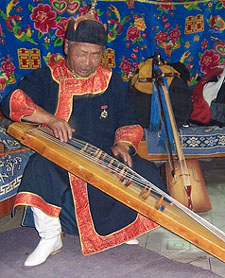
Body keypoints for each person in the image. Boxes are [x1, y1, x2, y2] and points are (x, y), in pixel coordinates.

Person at [1, 10, 167, 267]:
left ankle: (118, 230)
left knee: (145, 172)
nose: (88, 62)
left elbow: (128, 117)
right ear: (67, 47)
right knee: (39, 167)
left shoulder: (110, 80)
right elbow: (12, 101)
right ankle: (50, 236)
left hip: (103, 153)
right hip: (62, 152)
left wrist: (123, 143)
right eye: (81, 53)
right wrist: (50, 119)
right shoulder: (48, 76)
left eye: (95, 55)